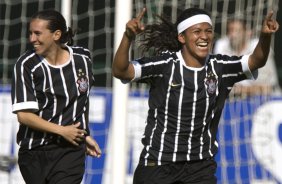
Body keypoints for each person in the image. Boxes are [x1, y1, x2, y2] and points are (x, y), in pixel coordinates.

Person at [112, 7, 279, 184]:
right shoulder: (165, 65)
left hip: (200, 166)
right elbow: (121, 71)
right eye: (197, 31)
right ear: (182, 37)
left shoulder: (219, 66)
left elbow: (256, 60)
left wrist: (265, 36)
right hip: (159, 164)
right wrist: (128, 37)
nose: (204, 37)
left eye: (208, 31)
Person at [11, 9, 101, 184]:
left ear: (56, 34)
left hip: (70, 150)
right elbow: (24, 115)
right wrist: (63, 130)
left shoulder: (83, 58)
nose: (32, 39)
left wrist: (83, 134)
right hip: (34, 151)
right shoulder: (26, 65)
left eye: (38, 33)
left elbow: (82, 100)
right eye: (30, 33)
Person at [214, 18, 280, 96]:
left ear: (248, 32)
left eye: (237, 31)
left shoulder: (259, 48)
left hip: (266, 99)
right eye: (230, 31)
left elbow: (268, 88)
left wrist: (241, 90)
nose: (233, 35)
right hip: (234, 101)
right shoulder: (222, 45)